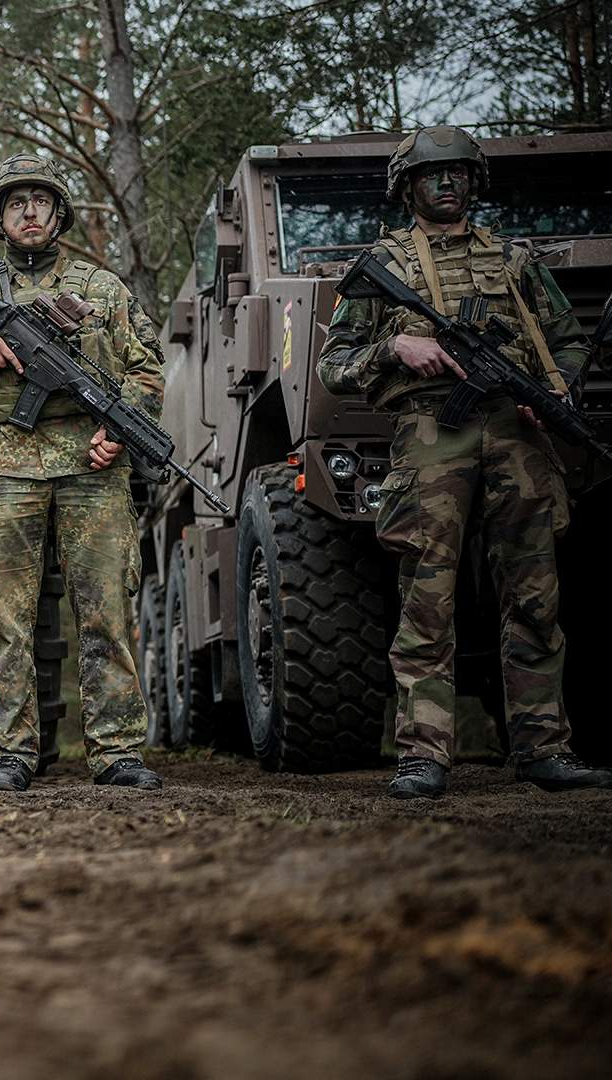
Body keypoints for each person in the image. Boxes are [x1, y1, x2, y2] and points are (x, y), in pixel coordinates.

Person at [319, 125, 611, 798]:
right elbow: (335, 366)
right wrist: (396, 352)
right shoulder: (383, 266)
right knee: (428, 596)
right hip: (430, 434)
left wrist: (557, 388)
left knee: (535, 595)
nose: (445, 183)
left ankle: (544, 747)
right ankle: (424, 755)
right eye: (431, 175)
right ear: (407, 187)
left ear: (475, 182)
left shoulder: (513, 259)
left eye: (457, 173)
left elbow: (566, 340)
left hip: (517, 432)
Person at [0, 153, 164, 793]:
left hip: (90, 464)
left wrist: (117, 432)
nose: (30, 211)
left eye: (41, 201)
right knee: (5, 616)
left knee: (104, 610)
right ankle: (11, 752)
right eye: (17, 202)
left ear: (58, 214)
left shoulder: (102, 290)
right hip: (2, 464)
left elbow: (148, 370)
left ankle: (117, 751)